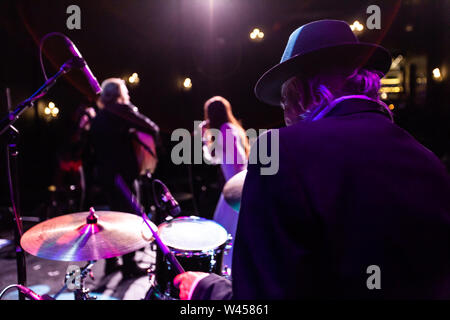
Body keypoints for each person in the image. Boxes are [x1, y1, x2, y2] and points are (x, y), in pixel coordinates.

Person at [174, 19, 450, 299]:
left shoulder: (280, 150)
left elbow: (259, 297)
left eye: (283, 102)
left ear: (299, 93)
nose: (285, 114)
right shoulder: (427, 160)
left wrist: (205, 289)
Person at [89, 78, 160, 278]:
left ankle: (112, 263)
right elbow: (151, 128)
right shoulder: (121, 110)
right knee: (130, 219)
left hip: (105, 174)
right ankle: (129, 266)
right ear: (121, 93)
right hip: (122, 174)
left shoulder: (100, 115)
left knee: (113, 220)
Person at [201, 96, 249, 276]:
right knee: (228, 232)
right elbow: (212, 159)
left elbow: (238, 161)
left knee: (229, 233)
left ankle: (232, 274)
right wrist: (206, 137)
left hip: (236, 189)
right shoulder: (225, 129)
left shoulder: (227, 129)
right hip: (233, 187)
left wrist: (237, 187)